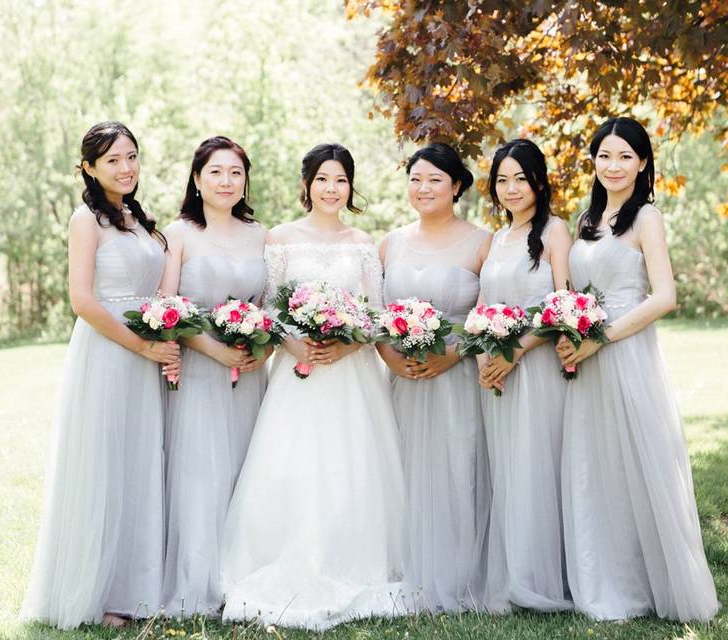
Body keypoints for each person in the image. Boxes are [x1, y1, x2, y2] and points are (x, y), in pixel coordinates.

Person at [220, 143, 406, 631]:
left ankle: (353, 559)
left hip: (351, 374)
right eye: (323, 179)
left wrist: (347, 344)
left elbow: (376, 313)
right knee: (292, 466)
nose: (331, 189)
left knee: (352, 466)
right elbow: (269, 308)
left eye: (341, 180)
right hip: (297, 374)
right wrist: (294, 343)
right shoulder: (280, 239)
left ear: (350, 186)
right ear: (307, 185)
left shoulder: (364, 242)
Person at [556, 116, 719, 622]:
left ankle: (655, 582)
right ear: (593, 161)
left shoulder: (646, 217)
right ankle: (605, 579)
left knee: (640, 463)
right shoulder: (585, 219)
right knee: (597, 467)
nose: (614, 165)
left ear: (643, 163)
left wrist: (600, 338)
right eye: (605, 155)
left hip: (626, 354)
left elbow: (665, 296)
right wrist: (570, 331)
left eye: (625, 155)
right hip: (585, 362)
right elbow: (571, 291)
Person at [21, 122, 179, 629]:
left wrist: (166, 338)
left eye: (131, 156)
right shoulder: (85, 219)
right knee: (105, 465)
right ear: (88, 167)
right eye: (112, 160)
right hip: (109, 351)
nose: (126, 167)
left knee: (141, 465)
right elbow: (82, 301)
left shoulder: (138, 219)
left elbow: (157, 290)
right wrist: (141, 345)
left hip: (149, 349)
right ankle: (101, 594)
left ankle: (139, 587)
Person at [378, 142, 491, 613]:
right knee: (400, 469)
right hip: (403, 379)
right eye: (415, 179)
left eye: (435, 180)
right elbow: (375, 315)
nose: (423, 189)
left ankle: (459, 571)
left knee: (456, 465)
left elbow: (491, 314)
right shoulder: (390, 243)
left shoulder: (483, 242)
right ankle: (402, 567)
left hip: (457, 378)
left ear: (457, 186)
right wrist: (389, 355)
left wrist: (453, 354)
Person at [158, 136, 269, 617]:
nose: (227, 181)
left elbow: (270, 305)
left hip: (248, 371)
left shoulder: (260, 234)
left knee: (248, 470)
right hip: (200, 372)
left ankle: (243, 578)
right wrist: (213, 350)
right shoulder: (178, 234)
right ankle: (198, 582)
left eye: (236, 173)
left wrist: (258, 348)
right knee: (200, 473)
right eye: (216, 172)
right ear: (197, 179)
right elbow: (166, 308)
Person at [478, 138, 574, 613]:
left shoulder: (556, 231)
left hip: (538, 370)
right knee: (509, 468)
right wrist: (485, 358)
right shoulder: (496, 238)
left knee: (540, 465)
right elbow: (481, 307)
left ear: (539, 180)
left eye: (520, 178)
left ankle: (547, 577)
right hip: (498, 373)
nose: (511, 188)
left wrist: (515, 351)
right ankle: (515, 571)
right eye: (502, 180)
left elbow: (564, 304)